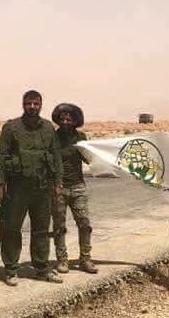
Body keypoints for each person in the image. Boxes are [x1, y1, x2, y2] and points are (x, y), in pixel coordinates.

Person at [0, 90, 64, 286]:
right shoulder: (12, 128)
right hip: (17, 187)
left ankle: (41, 268)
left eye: (35, 103)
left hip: (42, 186)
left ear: (41, 105)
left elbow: (56, 156)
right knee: (12, 229)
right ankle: (11, 270)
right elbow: (0, 155)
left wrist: (58, 182)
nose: (32, 107)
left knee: (41, 230)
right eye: (28, 103)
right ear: (23, 104)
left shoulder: (49, 128)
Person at [51, 103, 98, 274]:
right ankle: (62, 260)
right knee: (59, 226)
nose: (65, 121)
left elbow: (88, 160)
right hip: (58, 188)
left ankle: (85, 259)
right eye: (62, 118)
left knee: (84, 224)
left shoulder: (81, 138)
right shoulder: (52, 138)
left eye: (69, 119)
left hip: (78, 186)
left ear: (75, 121)